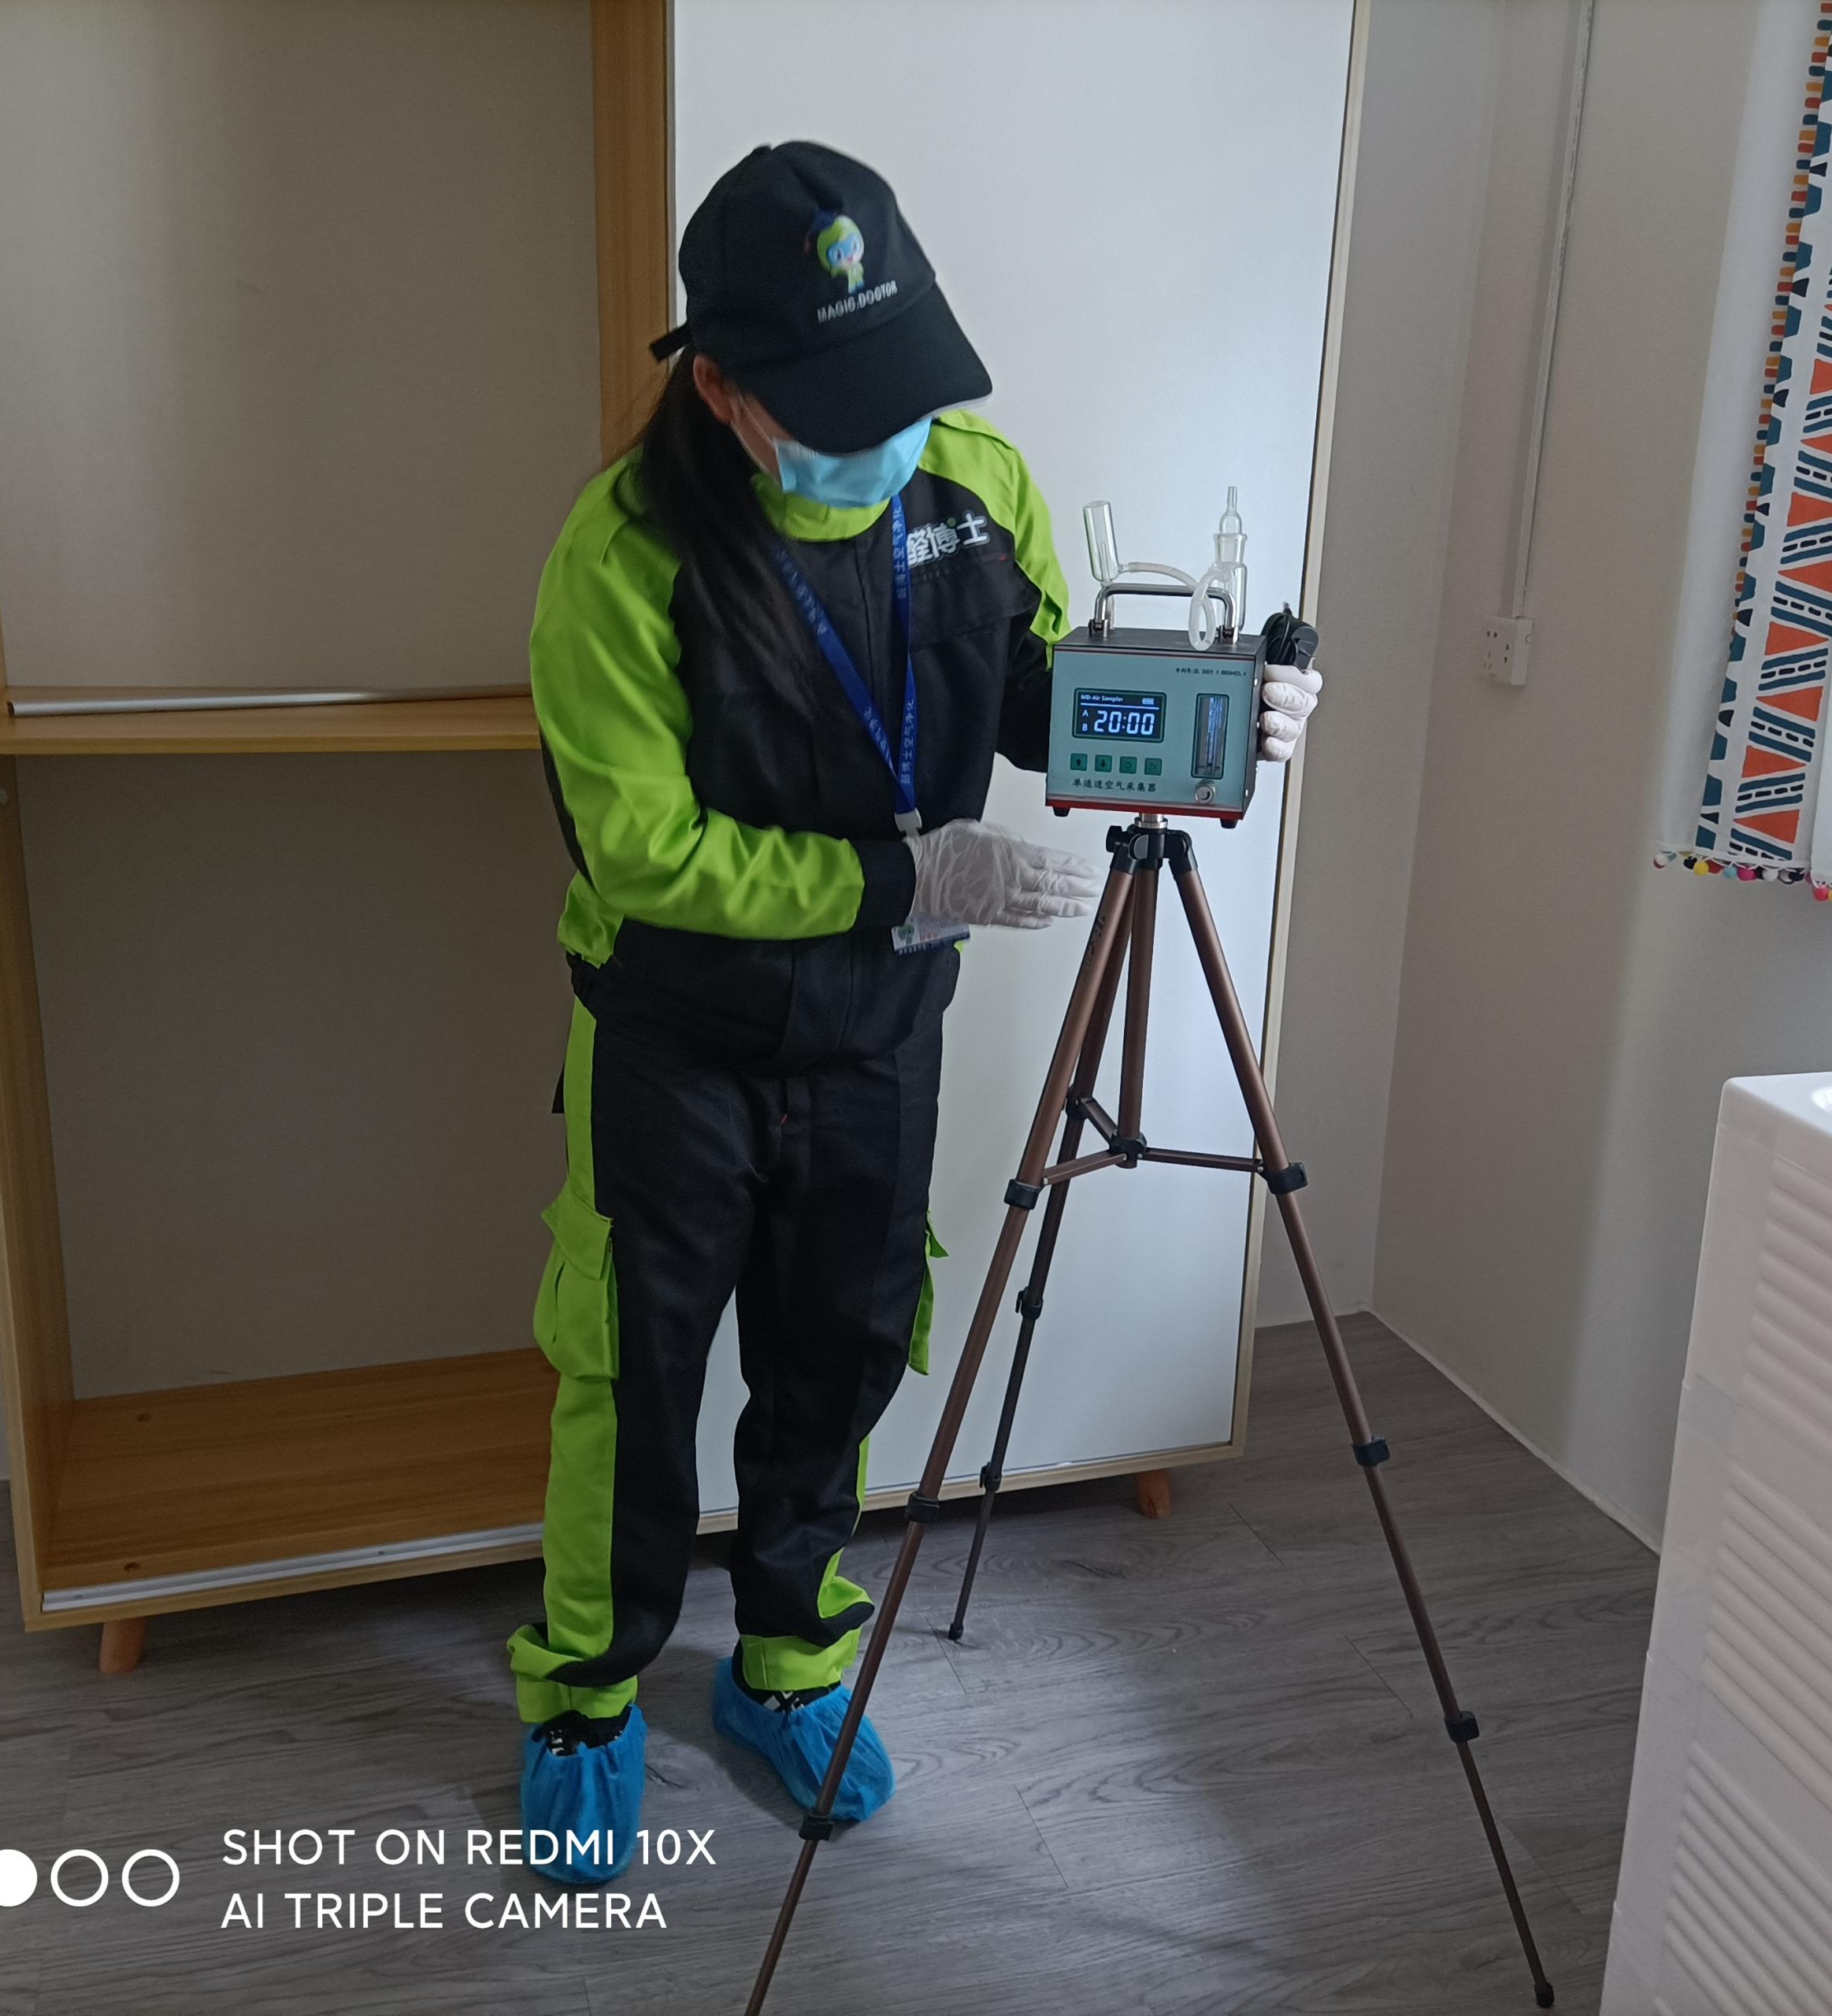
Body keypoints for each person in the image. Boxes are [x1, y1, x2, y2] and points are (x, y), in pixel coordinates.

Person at [510, 141, 1322, 1883]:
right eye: (832, 406)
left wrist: (1211, 708)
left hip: (880, 1033)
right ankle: (582, 1692)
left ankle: (789, 1660)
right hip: (674, 1040)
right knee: (631, 1375)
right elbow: (647, 852)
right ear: (721, 389)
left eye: (899, 388)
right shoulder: (624, 553)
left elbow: (1038, 700)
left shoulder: (975, 484)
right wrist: (905, 875)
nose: (880, 436)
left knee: (844, 1348)